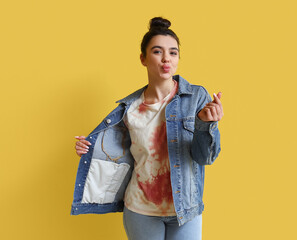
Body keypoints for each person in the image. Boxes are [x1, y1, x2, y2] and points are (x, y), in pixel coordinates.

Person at [72, 17, 223, 240]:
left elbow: (206, 157)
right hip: (140, 210)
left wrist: (205, 125)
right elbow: (113, 155)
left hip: (186, 209)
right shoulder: (129, 109)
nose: (166, 59)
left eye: (173, 52)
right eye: (157, 51)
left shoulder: (196, 98)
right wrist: (88, 147)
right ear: (143, 59)